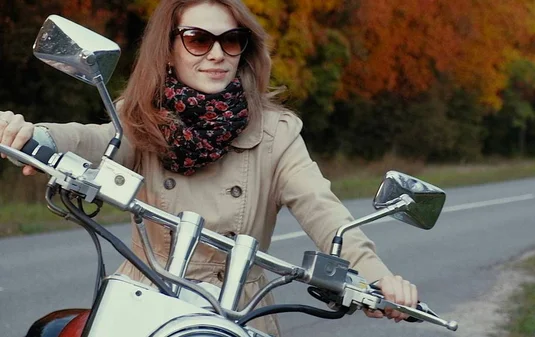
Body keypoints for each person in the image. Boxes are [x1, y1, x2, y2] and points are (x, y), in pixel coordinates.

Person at [0, 0, 418, 335]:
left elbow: (321, 207)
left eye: (231, 40)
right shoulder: (143, 116)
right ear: (168, 50)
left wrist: (379, 279)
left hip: (240, 307)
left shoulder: (276, 131)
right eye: (198, 39)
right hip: (147, 295)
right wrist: (35, 134)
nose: (217, 54)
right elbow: (94, 138)